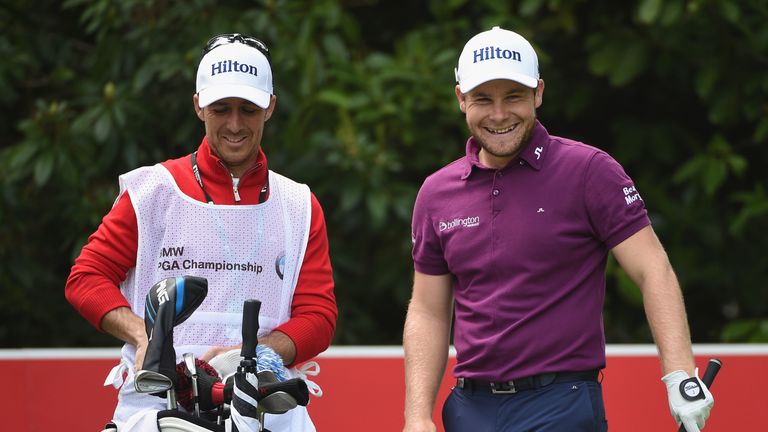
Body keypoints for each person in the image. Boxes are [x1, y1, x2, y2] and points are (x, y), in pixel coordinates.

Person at [402, 26, 714, 432]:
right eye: (483, 99)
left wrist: (679, 376)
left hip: (560, 404)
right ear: (461, 99)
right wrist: (417, 415)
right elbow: (428, 309)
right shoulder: (436, 192)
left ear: (539, 93)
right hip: (468, 409)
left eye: (513, 96)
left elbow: (653, 269)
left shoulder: (589, 171)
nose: (499, 114)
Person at [65, 33, 337, 431]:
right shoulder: (154, 191)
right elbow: (86, 278)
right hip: (159, 402)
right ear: (198, 106)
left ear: (270, 108)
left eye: (248, 109)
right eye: (220, 108)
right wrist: (145, 338)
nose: (234, 124)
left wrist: (257, 355)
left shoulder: (298, 203)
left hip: (263, 403)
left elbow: (318, 314)